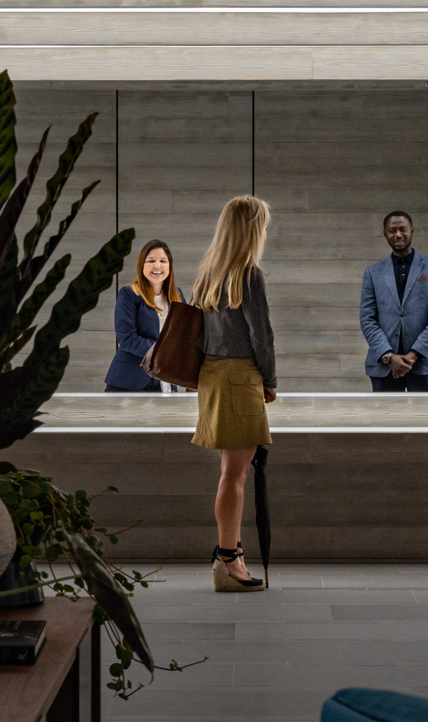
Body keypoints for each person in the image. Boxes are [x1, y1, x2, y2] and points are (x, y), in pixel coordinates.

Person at [189, 195, 275, 593]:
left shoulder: (209, 272)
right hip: (240, 377)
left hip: (212, 375)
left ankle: (232, 554)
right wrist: (270, 379)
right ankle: (228, 559)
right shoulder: (248, 274)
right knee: (235, 474)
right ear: (252, 229)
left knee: (231, 471)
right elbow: (262, 336)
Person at [358, 210, 428, 392]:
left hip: (424, 365)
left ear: (412, 230)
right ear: (385, 234)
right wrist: (388, 356)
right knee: (385, 413)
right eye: (392, 231)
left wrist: (413, 355)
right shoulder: (372, 272)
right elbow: (367, 319)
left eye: (402, 229)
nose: (398, 234)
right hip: (384, 367)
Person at [106, 239, 183, 393]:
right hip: (130, 382)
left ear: (169, 266)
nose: (157, 265)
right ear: (142, 265)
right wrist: (162, 352)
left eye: (163, 261)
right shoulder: (129, 294)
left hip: (164, 381)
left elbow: (183, 337)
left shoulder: (177, 295)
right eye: (151, 261)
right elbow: (127, 338)